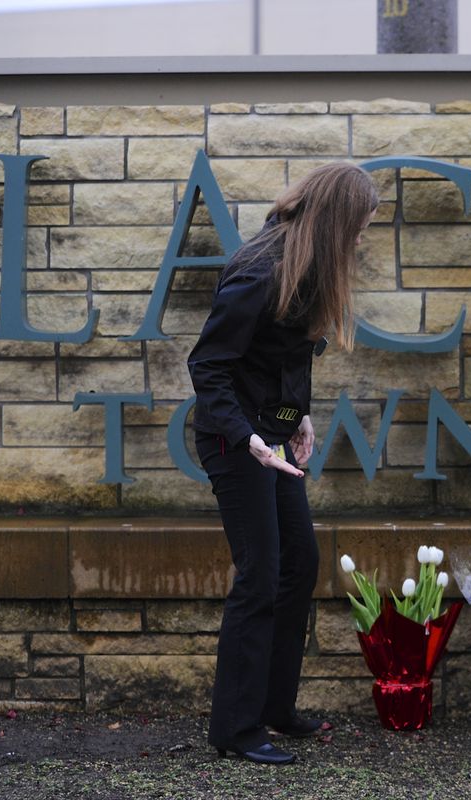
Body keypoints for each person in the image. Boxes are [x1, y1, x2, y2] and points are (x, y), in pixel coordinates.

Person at [187, 162, 379, 765]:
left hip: (272, 438)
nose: (362, 237)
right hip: (233, 442)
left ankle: (273, 707)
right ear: (338, 219)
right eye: (361, 225)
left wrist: (299, 415)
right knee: (260, 576)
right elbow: (208, 365)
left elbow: (288, 355)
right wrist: (248, 437)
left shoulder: (306, 264)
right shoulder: (259, 270)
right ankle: (236, 729)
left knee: (300, 561)